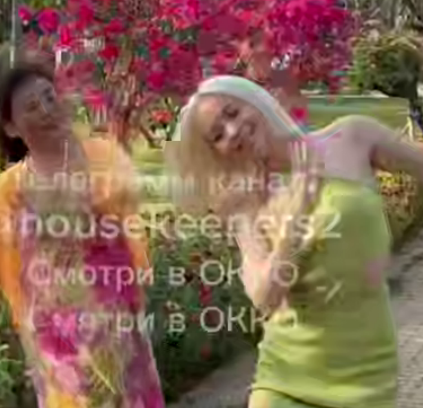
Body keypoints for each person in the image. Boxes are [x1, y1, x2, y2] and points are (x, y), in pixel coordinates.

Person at [164, 75, 423, 408]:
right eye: (218, 135)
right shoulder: (246, 202)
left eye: (232, 112)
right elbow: (265, 297)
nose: (233, 130)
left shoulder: (353, 137)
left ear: (255, 100)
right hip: (286, 386)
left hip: (369, 379)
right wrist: (297, 212)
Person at [0, 62, 165, 408]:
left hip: (118, 330)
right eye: (32, 106)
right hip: (57, 347)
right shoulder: (8, 191)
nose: (47, 109)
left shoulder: (103, 159)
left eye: (50, 97)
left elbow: (128, 230)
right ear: (11, 127)